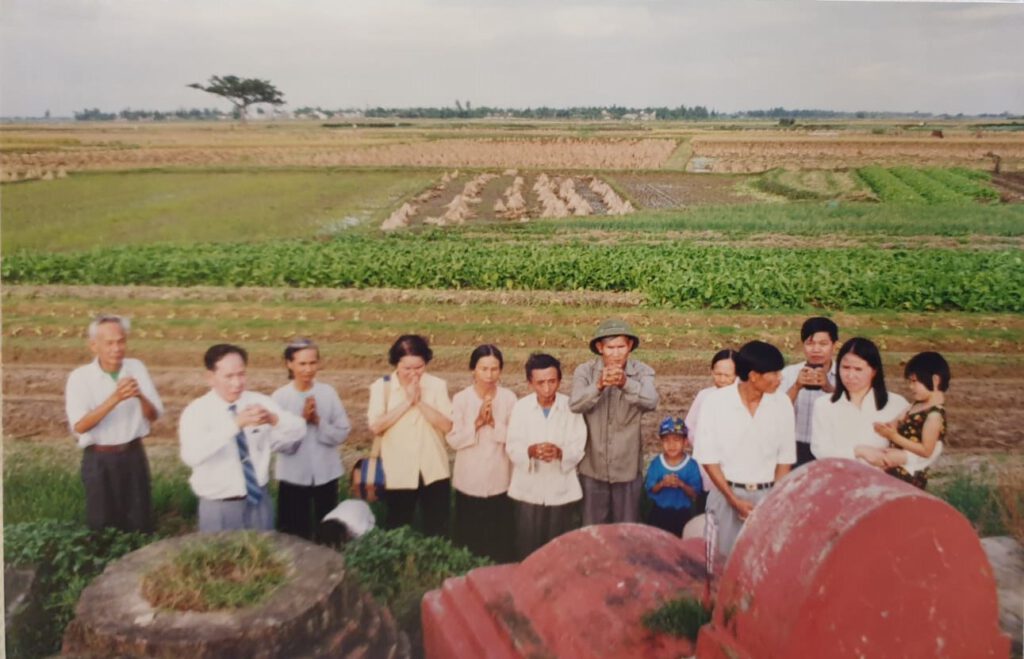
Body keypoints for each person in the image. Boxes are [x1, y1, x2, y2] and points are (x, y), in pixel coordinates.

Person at [693, 340, 795, 570]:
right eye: (775, 373)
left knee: (762, 565)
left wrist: (771, 503)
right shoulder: (716, 402)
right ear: (754, 376)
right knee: (720, 566)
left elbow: (784, 460)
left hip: (767, 496)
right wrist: (733, 500)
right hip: (725, 495)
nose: (780, 379)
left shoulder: (782, 404)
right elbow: (708, 458)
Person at [180, 344, 305, 532]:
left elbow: (299, 430)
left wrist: (273, 419)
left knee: (265, 558)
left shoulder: (259, 402)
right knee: (220, 560)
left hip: (259, 501)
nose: (237, 383)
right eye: (229, 376)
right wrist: (235, 425)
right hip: (218, 506)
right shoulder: (196, 412)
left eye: (241, 374)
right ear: (210, 377)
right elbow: (191, 456)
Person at [65, 314, 163, 533]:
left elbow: (154, 415)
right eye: (109, 343)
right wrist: (115, 398)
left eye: (121, 341)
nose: (116, 348)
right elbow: (79, 426)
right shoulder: (80, 378)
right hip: (100, 459)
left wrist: (140, 396)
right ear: (94, 346)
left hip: (134, 454)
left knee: (140, 521)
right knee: (102, 524)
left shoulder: (136, 368)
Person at [570, 318, 659, 526]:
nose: (616, 353)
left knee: (626, 530)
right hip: (592, 468)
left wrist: (626, 383)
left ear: (630, 346)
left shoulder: (642, 371)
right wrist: (598, 385)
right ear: (600, 348)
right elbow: (575, 404)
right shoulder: (585, 371)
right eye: (610, 347)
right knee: (593, 529)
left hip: (627, 469)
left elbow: (651, 401)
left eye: (621, 347)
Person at [368, 334, 453, 537]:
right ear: (396, 364)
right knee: (397, 526)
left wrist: (419, 402)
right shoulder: (382, 387)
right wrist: (406, 403)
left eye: (419, 368)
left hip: (433, 468)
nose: (414, 374)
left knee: (437, 527)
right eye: (407, 368)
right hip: (398, 470)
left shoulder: (437, 385)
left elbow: (448, 425)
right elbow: (376, 426)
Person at [506, 353, 587, 560]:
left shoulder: (571, 407)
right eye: (540, 382)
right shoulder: (521, 407)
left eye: (552, 381)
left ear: (560, 380)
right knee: (527, 544)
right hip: (528, 489)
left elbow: (579, 446)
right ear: (530, 383)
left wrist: (561, 453)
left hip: (561, 488)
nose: (547, 388)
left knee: (558, 547)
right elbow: (512, 445)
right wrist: (530, 451)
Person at [271, 338, 352, 541]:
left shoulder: (328, 393)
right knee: (293, 534)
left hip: (326, 474)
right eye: (302, 364)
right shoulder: (280, 398)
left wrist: (318, 422)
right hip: (293, 477)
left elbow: (342, 432)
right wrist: (301, 422)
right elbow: (276, 443)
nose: (308, 369)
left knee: (328, 532)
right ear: (290, 364)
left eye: (312, 363)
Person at [446, 344, 517, 562]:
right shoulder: (461, 399)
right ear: (473, 370)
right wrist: (476, 424)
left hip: (500, 479)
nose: (489, 375)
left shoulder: (508, 398)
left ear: (501, 370)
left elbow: (516, 438)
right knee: (469, 540)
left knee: (499, 540)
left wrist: (494, 424)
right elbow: (454, 439)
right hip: (469, 480)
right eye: (483, 369)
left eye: (494, 369)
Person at [810, 337, 908, 466]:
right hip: (839, 478)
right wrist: (858, 451)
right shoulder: (824, 405)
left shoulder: (897, 404)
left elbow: (923, 448)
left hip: (883, 480)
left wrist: (899, 458)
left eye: (858, 369)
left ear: (874, 371)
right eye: (845, 368)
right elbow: (820, 450)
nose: (850, 375)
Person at [869, 351, 950, 490]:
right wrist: (885, 427)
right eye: (909, 382)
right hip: (893, 463)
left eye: (914, 381)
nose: (910, 387)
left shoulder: (934, 416)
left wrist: (893, 436)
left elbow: (926, 451)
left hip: (909, 474)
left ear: (935, 380)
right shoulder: (915, 405)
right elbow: (895, 422)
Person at [780, 317, 839, 468]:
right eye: (810, 343)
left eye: (823, 344)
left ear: (835, 345)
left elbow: (852, 411)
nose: (816, 349)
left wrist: (829, 388)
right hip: (793, 448)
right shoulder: (788, 374)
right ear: (803, 345)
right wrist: (796, 387)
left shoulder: (845, 375)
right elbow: (775, 411)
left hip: (831, 449)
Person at [685, 349, 737, 514]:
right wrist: (703, 446)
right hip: (707, 466)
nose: (721, 379)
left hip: (733, 467)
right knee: (705, 510)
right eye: (717, 374)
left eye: (727, 376)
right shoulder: (704, 396)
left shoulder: (742, 398)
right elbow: (690, 426)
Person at [644, 416, 703, 537]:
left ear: (685, 442)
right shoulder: (657, 463)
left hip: (683, 513)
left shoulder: (691, 465)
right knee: (659, 543)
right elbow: (651, 489)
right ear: (661, 442)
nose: (671, 445)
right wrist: (662, 483)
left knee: (681, 544)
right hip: (659, 512)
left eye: (676, 440)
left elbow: (695, 493)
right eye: (667, 440)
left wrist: (681, 484)